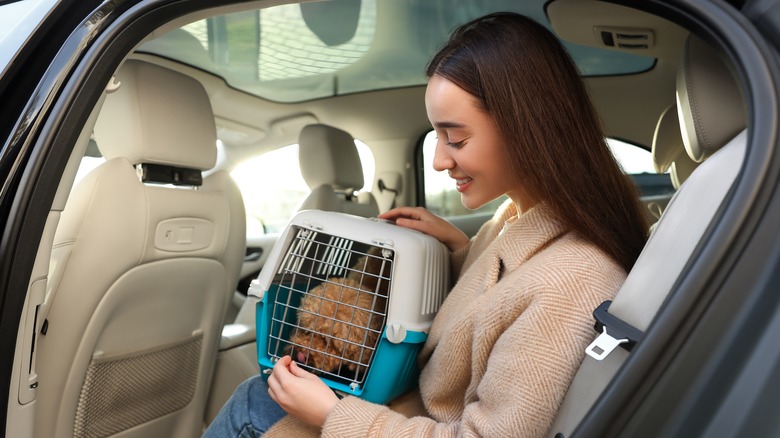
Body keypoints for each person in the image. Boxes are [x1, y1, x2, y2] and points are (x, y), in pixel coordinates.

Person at [203, 11, 648, 437]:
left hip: (405, 421)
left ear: (527, 126)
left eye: (456, 138)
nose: (438, 160)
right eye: (436, 137)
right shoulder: (516, 221)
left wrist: (333, 415)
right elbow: (496, 307)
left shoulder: (573, 280)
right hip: (410, 411)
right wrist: (461, 251)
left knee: (253, 403)